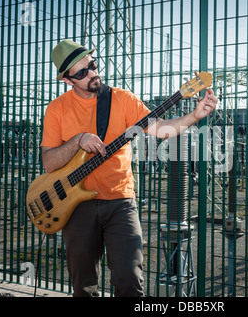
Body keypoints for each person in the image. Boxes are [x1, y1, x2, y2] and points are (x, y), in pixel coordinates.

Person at [41, 39, 217, 297]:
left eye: (92, 65)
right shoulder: (57, 109)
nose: (92, 73)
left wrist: (194, 115)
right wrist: (78, 140)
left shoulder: (122, 99)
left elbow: (161, 129)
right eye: (81, 72)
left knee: (130, 281)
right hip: (75, 206)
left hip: (119, 201)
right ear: (68, 80)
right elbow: (49, 162)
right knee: (83, 286)